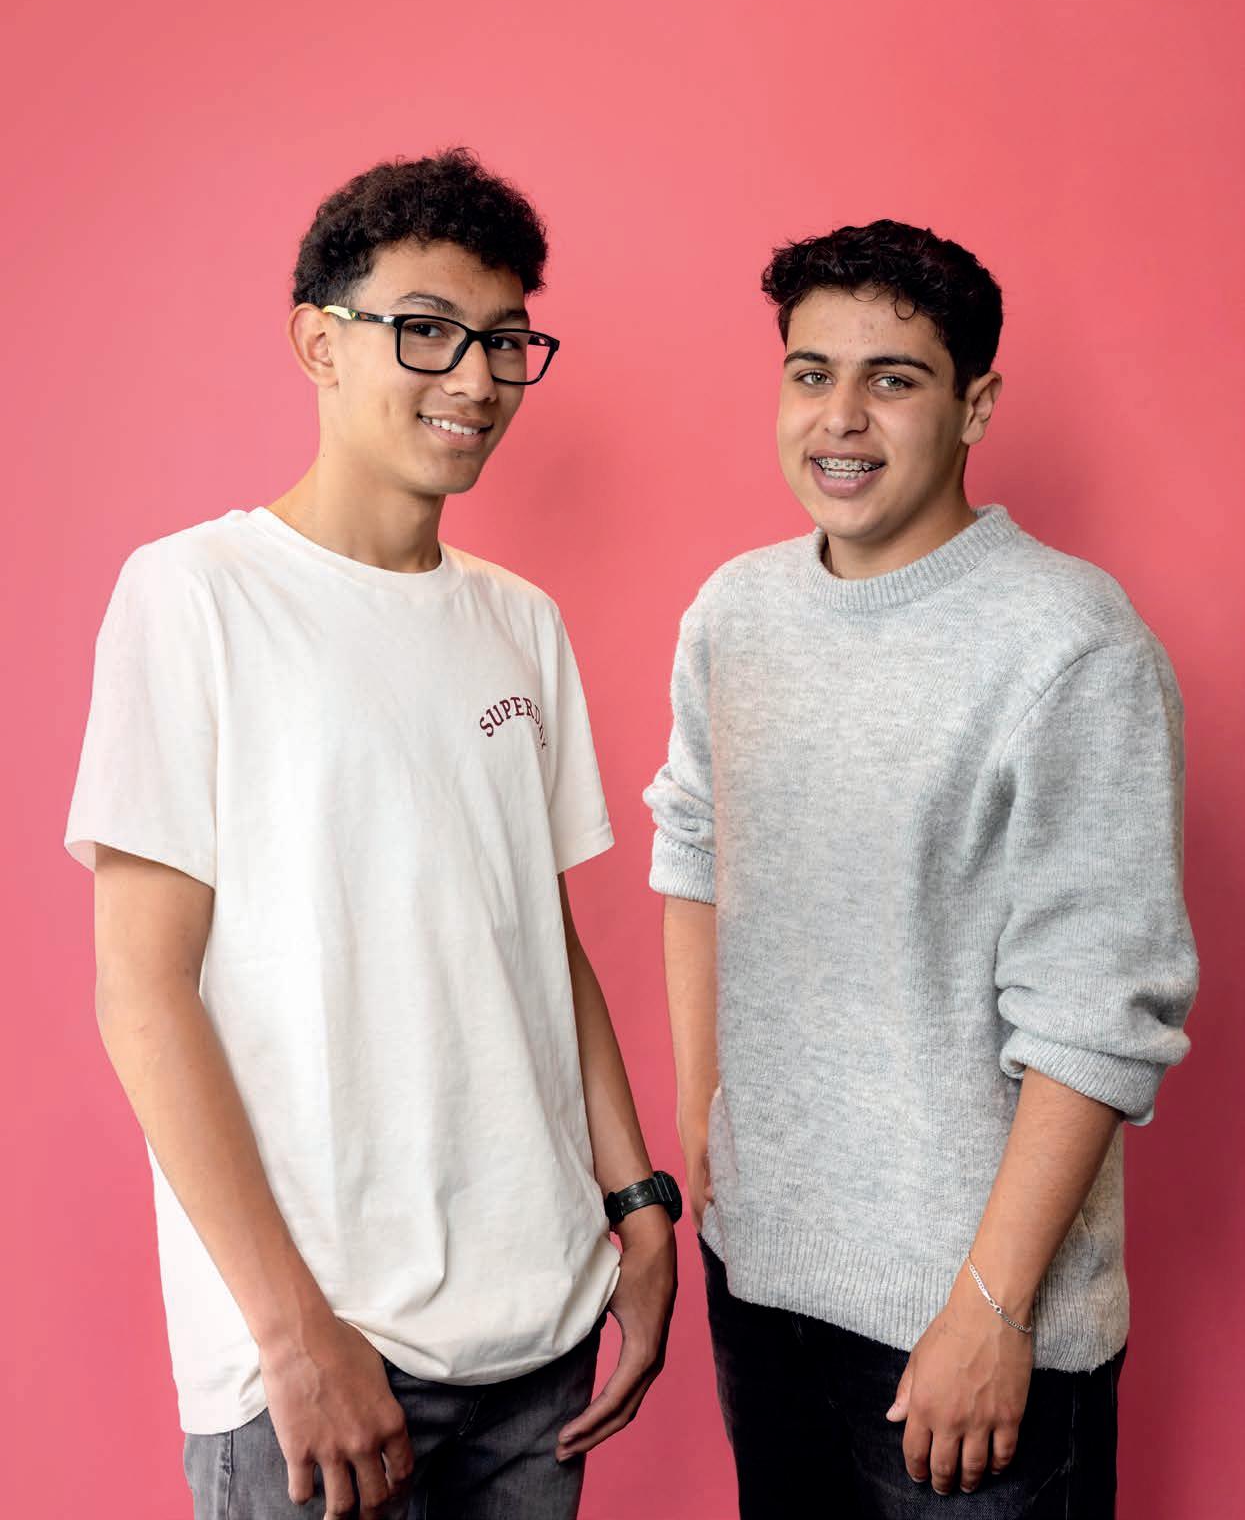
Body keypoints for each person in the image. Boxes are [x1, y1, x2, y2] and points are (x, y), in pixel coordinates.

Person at [66, 150, 678, 1519]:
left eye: (505, 341)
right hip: (323, 1358)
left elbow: (539, 940)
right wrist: (292, 1336)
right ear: (318, 343)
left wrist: (636, 1203)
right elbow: (141, 991)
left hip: (540, 1340)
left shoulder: (520, 622)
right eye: (426, 330)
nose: (474, 378)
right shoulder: (195, 596)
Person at [645, 219, 1197, 1517]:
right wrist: (703, 1102)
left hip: (969, 1319)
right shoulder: (736, 612)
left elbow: (1096, 1012)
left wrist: (992, 1309)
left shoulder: (1070, 644)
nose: (839, 417)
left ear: (974, 407)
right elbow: (694, 847)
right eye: (809, 373)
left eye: (891, 379)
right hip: (761, 1284)